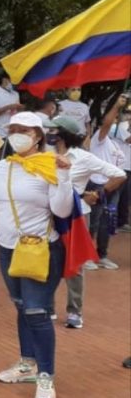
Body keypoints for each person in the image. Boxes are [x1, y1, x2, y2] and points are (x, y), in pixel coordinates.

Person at [0, 112, 73, 398]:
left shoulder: (48, 165)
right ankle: (27, 364)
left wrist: (64, 176)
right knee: (21, 307)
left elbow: (62, 211)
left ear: (38, 135)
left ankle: (46, 376)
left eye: (24, 130)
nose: (17, 134)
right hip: (7, 249)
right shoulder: (3, 167)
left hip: (40, 249)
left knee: (36, 312)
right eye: (13, 129)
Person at [45, 116, 125, 329]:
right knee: (47, 259)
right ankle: (47, 306)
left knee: (75, 262)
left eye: (54, 131)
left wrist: (99, 193)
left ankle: (74, 311)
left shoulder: (82, 157)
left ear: (64, 134)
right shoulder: (44, 155)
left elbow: (118, 174)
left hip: (76, 215)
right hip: (47, 213)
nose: (49, 134)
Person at [84, 94, 128, 270]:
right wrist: (117, 105)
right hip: (98, 185)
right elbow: (107, 123)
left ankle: (102, 255)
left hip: (115, 186)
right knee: (93, 221)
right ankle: (85, 256)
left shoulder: (115, 145)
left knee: (107, 221)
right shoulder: (99, 140)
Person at [116, 102, 131, 232]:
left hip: (129, 166)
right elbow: (128, 139)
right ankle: (118, 222)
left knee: (126, 195)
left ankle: (123, 221)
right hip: (123, 166)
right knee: (121, 195)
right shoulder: (122, 126)